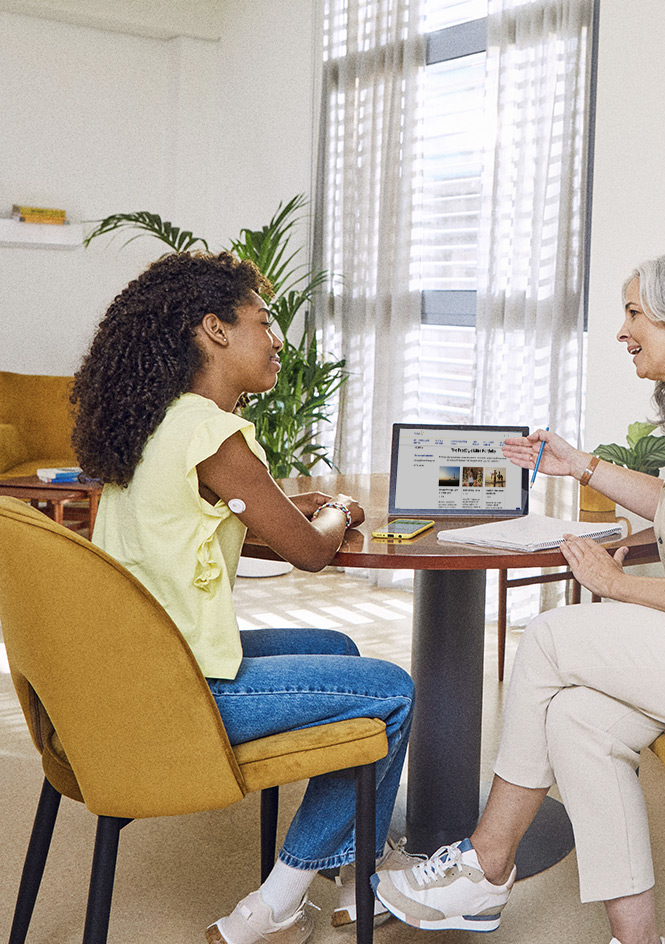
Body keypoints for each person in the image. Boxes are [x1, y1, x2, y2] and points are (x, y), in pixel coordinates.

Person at [376, 252, 665, 944]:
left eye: (634, 314)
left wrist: (614, 584)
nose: (622, 332)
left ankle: (486, 863)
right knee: (575, 720)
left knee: (550, 637)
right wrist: (583, 466)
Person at [71, 251, 414, 944]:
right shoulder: (211, 431)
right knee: (394, 690)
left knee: (340, 651)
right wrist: (342, 509)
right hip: (181, 694)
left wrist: (284, 508)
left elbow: (213, 525)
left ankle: (353, 881)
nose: (278, 339)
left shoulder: (156, 422)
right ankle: (277, 903)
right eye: (264, 322)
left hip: (127, 676)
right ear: (214, 330)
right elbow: (311, 552)